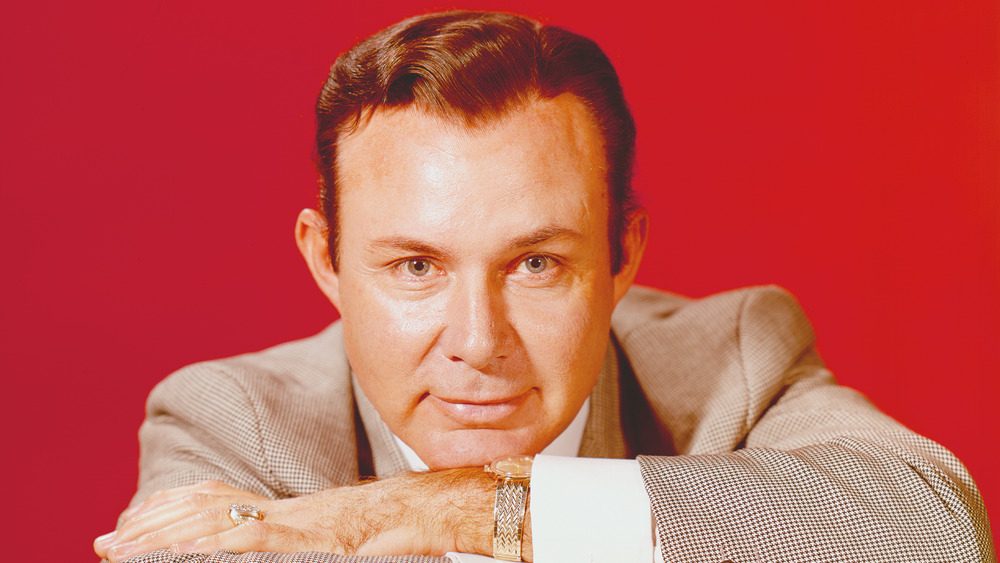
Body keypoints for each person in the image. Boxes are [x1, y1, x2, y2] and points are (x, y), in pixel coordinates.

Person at [93, 10, 994, 563]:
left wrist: (444, 507)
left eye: (535, 263)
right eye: (416, 266)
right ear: (325, 259)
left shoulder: (731, 364)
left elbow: (936, 534)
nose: (478, 340)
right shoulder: (230, 418)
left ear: (622, 254)